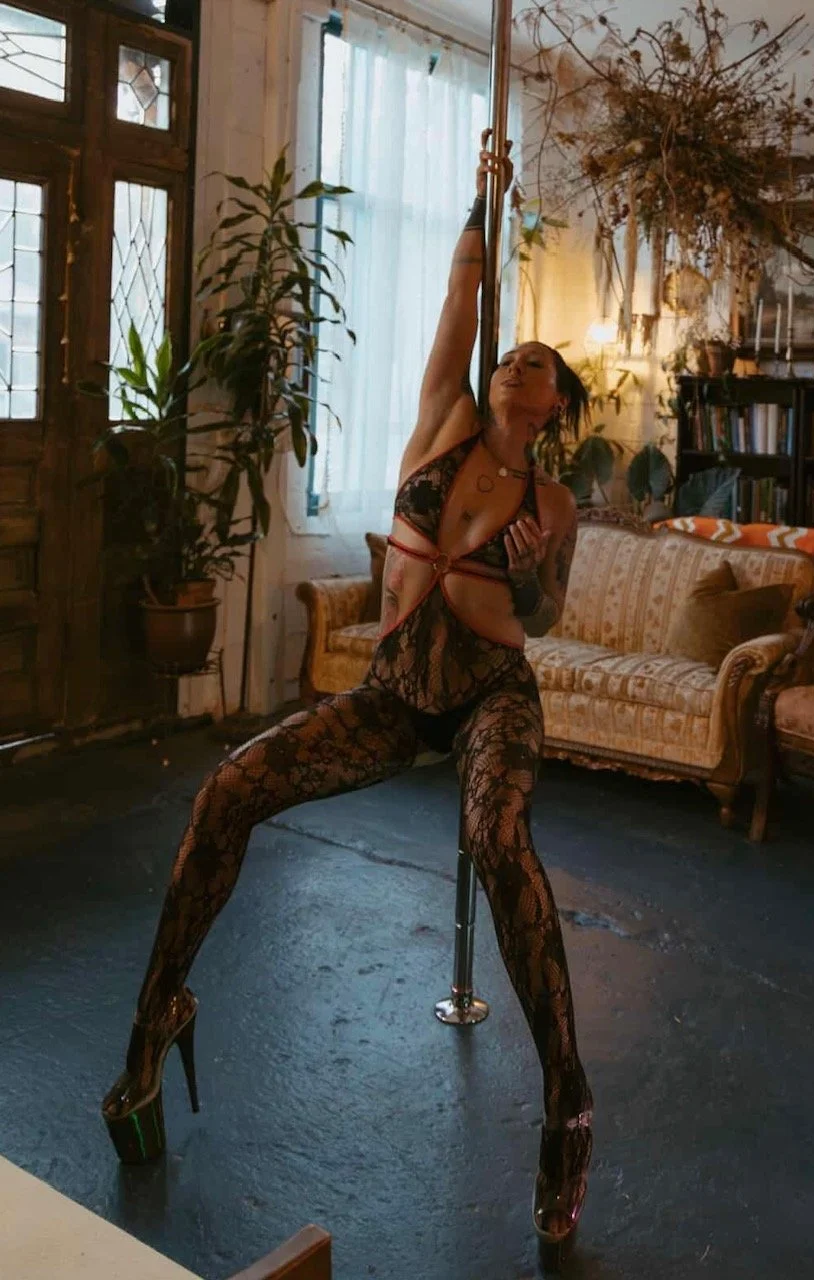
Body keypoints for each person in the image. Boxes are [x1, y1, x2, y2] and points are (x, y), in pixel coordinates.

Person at [102, 130, 593, 1250]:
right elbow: (464, 293)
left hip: (491, 694)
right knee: (227, 790)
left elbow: (547, 618)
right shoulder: (443, 420)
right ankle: (152, 1022)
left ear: (557, 403)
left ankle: (567, 1097)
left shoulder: (553, 503)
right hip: (396, 690)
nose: (513, 363)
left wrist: (527, 574)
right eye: (510, 354)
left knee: (495, 836)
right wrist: (481, 196)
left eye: (535, 363)